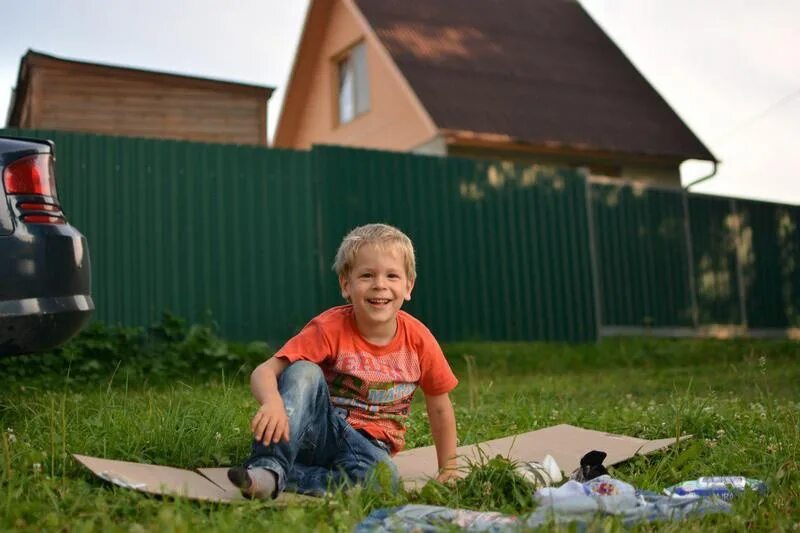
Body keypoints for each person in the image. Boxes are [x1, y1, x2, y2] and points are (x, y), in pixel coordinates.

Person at [228, 223, 459, 499]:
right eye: (367, 275)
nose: (379, 285)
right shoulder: (329, 328)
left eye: (392, 275)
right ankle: (268, 466)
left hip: (368, 450)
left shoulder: (419, 341)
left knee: (385, 485)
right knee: (304, 370)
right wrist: (272, 402)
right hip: (318, 431)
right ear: (346, 284)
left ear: (408, 286)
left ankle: (281, 476)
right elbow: (264, 371)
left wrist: (449, 468)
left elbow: (440, 407)